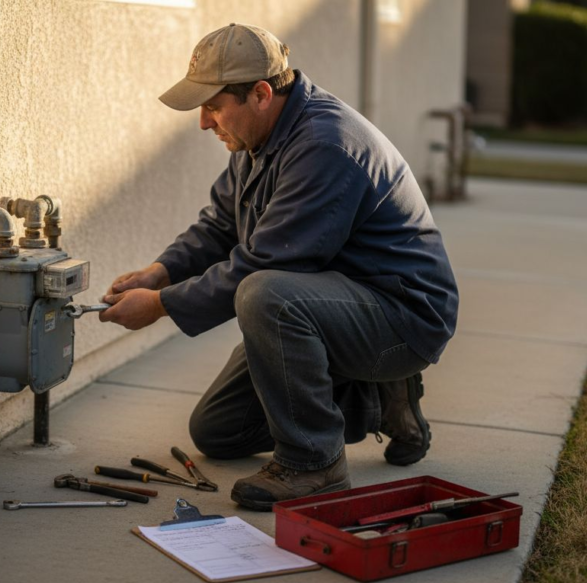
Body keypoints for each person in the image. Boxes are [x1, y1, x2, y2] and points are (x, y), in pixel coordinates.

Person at [99, 23, 458, 511]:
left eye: (212, 106)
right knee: (217, 431)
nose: (203, 122)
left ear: (261, 94)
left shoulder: (326, 146)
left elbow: (265, 262)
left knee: (264, 294)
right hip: (338, 305)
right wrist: (160, 272)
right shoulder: (256, 138)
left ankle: (315, 464)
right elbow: (220, 226)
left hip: (402, 317)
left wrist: (161, 305)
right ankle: (379, 401)